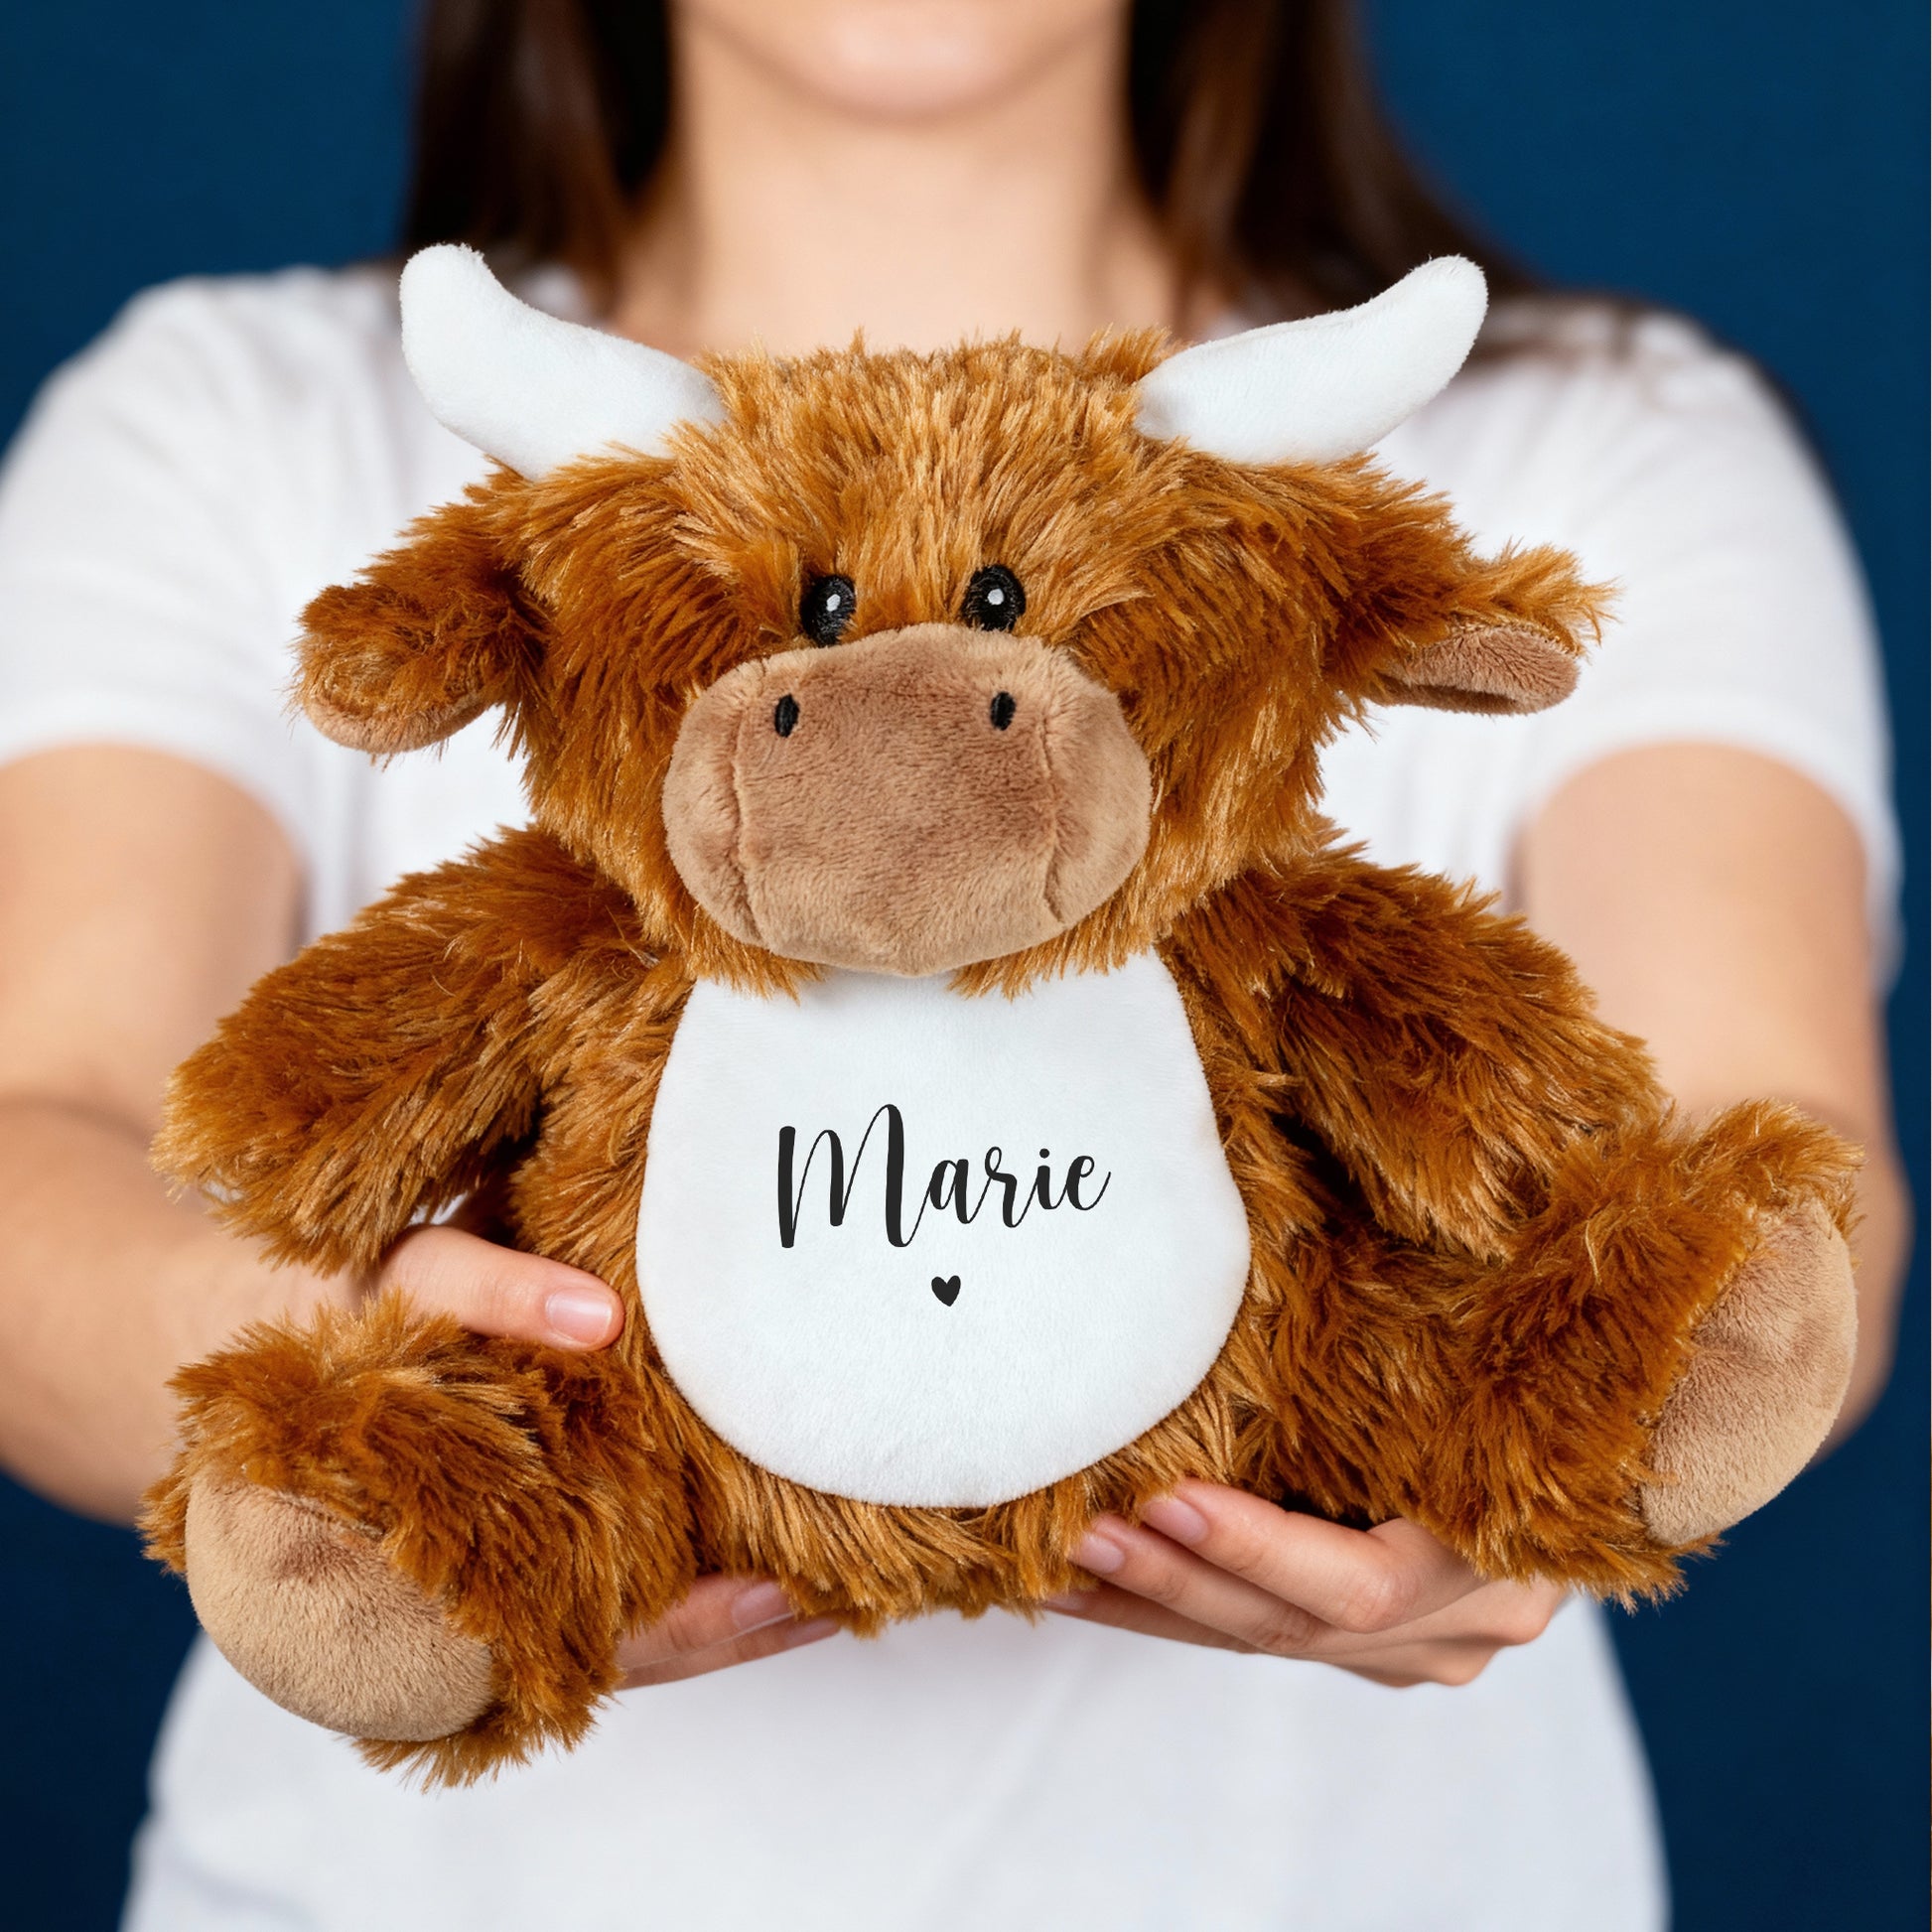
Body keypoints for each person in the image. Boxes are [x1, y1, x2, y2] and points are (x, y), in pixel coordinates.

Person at [0, 2, 1906, 1927]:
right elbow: (42, 1135)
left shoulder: (1604, 436)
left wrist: (1564, 1413)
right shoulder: (232, 417)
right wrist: (365, 1363)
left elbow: (1772, 1145)